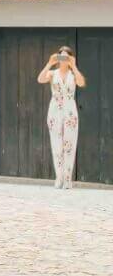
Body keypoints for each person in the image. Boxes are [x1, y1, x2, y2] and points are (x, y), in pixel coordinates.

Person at [37, 47, 85, 189]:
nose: (63, 60)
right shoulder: (53, 73)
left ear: (70, 58)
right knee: (56, 144)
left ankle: (68, 179)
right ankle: (59, 177)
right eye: (61, 57)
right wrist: (49, 63)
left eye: (66, 57)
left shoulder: (73, 74)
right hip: (55, 110)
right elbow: (40, 79)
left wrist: (73, 65)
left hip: (70, 111)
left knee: (69, 144)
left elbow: (81, 83)